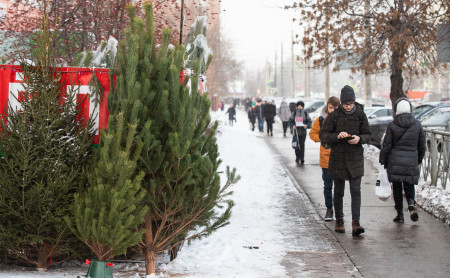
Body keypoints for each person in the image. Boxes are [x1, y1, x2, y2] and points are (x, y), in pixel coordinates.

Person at [319, 85, 371, 236]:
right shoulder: (334, 116)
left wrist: (359, 138)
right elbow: (323, 135)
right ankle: (339, 220)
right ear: (341, 103)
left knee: (356, 191)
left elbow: (368, 134)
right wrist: (337, 136)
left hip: (355, 159)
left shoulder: (361, 114)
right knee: (339, 192)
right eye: (346, 104)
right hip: (338, 159)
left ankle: (356, 222)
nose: (348, 107)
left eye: (351, 104)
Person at [379, 98, 426, 223]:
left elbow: (387, 145)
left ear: (397, 110)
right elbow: (422, 146)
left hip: (395, 162)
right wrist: (418, 159)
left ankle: (400, 214)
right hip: (411, 162)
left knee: (397, 188)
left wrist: (382, 158)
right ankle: (411, 203)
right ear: (409, 109)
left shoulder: (392, 125)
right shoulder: (417, 124)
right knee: (409, 185)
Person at [309, 96, 341, 221]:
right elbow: (312, 134)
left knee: (338, 187)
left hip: (339, 157)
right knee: (328, 186)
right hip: (326, 158)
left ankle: (338, 211)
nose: (333, 110)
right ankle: (329, 209)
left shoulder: (342, 119)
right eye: (331, 108)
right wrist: (322, 139)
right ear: (327, 106)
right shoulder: (321, 120)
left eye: (335, 108)